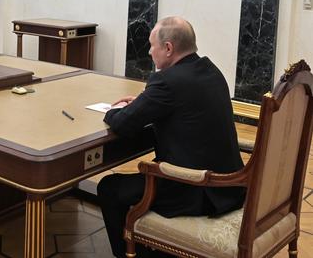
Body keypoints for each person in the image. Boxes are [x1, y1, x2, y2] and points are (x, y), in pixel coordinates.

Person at [98, 16, 245, 258]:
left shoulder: (166, 82)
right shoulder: (211, 70)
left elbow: (124, 124)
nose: (148, 50)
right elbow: (185, 105)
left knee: (109, 188)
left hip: (196, 188)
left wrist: (114, 111)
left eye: (151, 45)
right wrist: (145, 102)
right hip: (231, 185)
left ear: (168, 48)